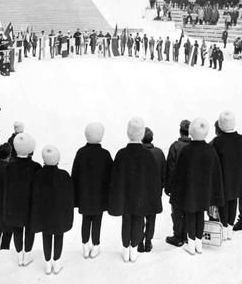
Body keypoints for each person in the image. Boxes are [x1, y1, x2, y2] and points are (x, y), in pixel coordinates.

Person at [108, 117, 162, 263]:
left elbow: (115, 178)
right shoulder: (148, 155)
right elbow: (153, 180)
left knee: (126, 221)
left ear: (128, 132)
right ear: (142, 133)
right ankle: (133, 249)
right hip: (141, 197)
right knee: (138, 220)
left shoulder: (121, 154)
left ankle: (125, 250)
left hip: (125, 196)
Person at [171, 118, 224, 255]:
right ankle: (199, 244)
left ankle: (191, 243)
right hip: (204, 191)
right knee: (201, 214)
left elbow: (179, 174)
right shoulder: (210, 150)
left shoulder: (186, 151)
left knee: (190, 214)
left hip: (189, 191)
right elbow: (215, 173)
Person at [30, 145, 74, 275]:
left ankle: (48, 264)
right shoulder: (64, 175)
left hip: (44, 214)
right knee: (59, 236)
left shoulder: (38, 175)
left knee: (46, 236)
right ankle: (56, 262)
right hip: (59, 214)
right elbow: (70, 197)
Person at [71, 123, 113, 259]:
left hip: (84, 195)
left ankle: (85, 246)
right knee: (97, 220)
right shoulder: (105, 154)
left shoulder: (80, 153)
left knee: (85, 220)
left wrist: (75, 196)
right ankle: (95, 245)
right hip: (100, 196)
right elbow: (111, 177)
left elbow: (74, 175)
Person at [210, 111, 242, 240]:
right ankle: (229, 229)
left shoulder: (217, 141)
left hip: (223, 177)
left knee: (223, 203)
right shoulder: (240, 139)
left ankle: (223, 229)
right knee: (234, 201)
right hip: (237, 177)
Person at [3, 132, 41, 266]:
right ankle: (27, 255)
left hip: (14, 204)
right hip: (30, 204)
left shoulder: (9, 166)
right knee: (30, 230)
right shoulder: (36, 167)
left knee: (17, 230)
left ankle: (19, 256)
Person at [164, 120, 191, 247]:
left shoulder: (175, 146)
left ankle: (177, 236)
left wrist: (168, 186)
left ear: (180, 130)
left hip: (177, 185)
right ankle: (186, 236)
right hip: (191, 185)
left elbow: (170, 168)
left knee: (177, 212)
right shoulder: (194, 145)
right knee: (187, 210)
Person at [139, 127, 166, 252]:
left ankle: (139, 242)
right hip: (155, 191)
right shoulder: (159, 153)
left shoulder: (139, 153)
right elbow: (164, 173)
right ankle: (148, 242)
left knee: (140, 217)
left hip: (141, 191)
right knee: (152, 218)